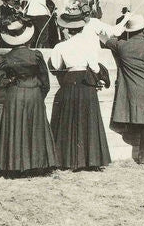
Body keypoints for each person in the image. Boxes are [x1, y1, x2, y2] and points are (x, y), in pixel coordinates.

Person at [0, 16, 58, 175]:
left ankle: (15, 166)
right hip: (34, 93)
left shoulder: (6, 58)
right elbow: (45, 81)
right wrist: (39, 95)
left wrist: (10, 81)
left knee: (16, 129)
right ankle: (38, 165)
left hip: (15, 94)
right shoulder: (36, 55)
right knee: (36, 129)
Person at [47, 11, 112, 171]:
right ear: (82, 29)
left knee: (68, 120)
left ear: (67, 30)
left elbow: (55, 66)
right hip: (86, 83)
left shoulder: (60, 46)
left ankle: (68, 160)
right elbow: (95, 68)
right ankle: (91, 160)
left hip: (70, 81)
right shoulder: (89, 44)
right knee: (88, 120)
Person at [105, 13, 144, 165]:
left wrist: (123, 28)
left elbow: (107, 38)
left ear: (129, 31)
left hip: (132, 93)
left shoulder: (122, 45)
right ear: (143, 30)